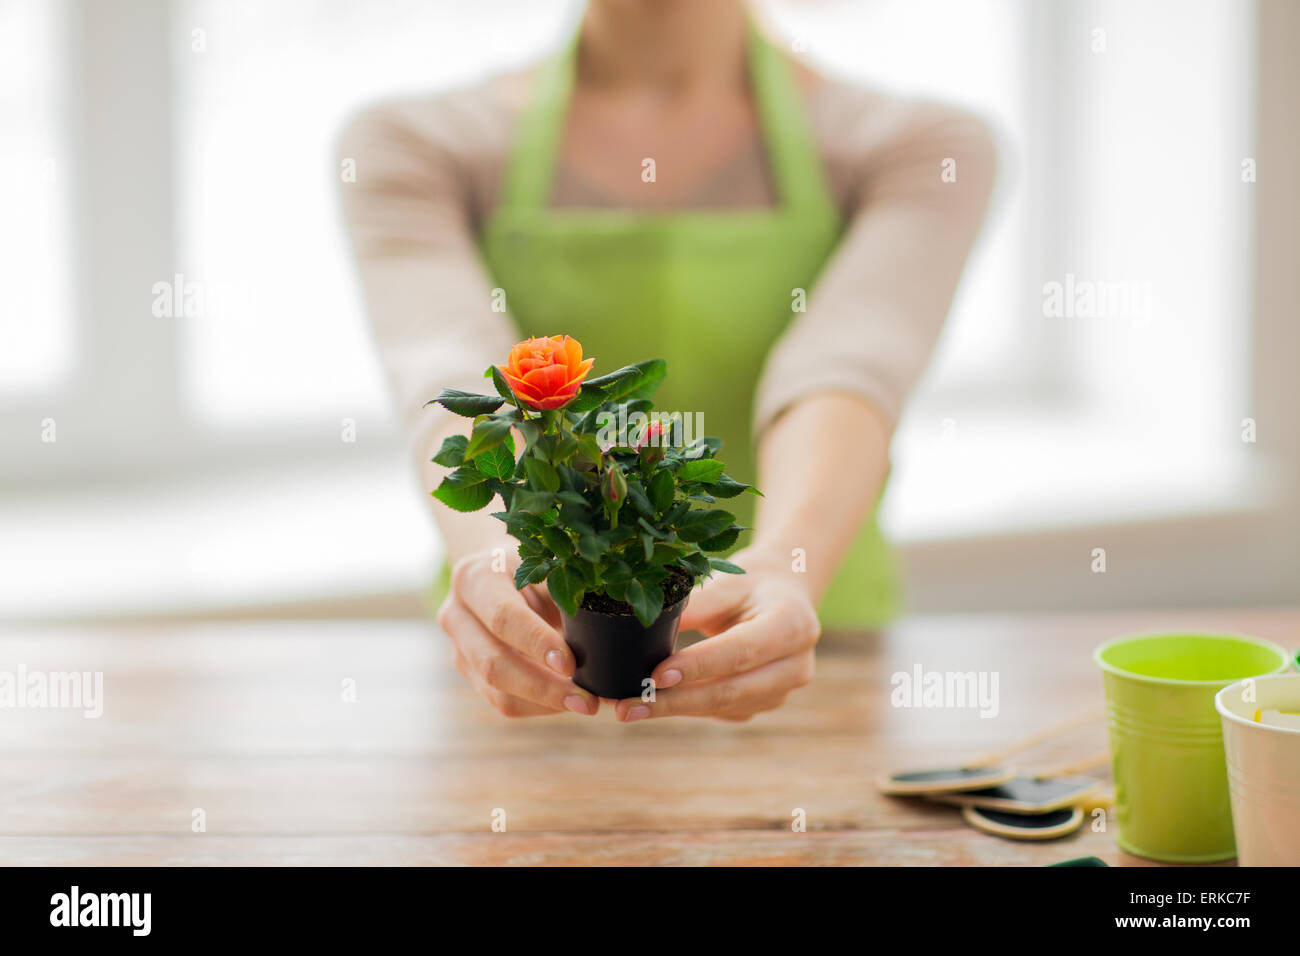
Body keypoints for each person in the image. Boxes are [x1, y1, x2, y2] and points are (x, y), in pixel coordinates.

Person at [338, 0, 996, 723]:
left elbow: (846, 366)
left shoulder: (922, 145)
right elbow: (452, 372)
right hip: (524, 672)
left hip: (815, 660)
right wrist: (500, 576)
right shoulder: (413, 143)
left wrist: (787, 563)